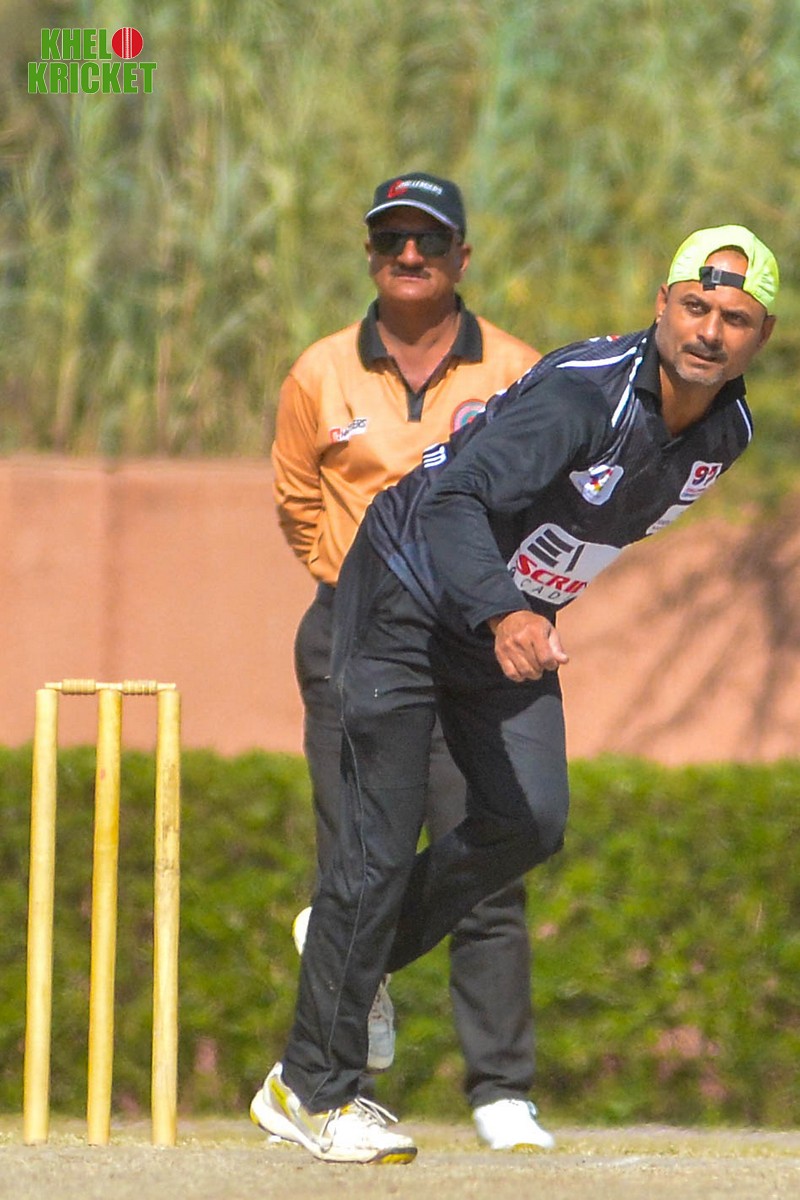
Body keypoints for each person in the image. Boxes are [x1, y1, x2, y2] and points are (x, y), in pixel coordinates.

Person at [252, 224, 779, 1164]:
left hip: (501, 619)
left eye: (735, 318)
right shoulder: (583, 396)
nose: (709, 331)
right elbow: (452, 500)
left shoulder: (728, 432)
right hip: (407, 593)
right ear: (661, 305)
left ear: (762, 336)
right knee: (377, 850)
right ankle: (311, 1090)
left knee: (530, 817)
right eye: (695, 306)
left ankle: (352, 949)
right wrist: (505, 612)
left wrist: (518, 608)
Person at [269, 171, 553, 1150]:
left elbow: (539, 495)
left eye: (428, 240)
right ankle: (330, 1088)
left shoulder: (516, 369)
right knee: (360, 863)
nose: (409, 255)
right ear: (370, 255)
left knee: (493, 847)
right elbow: (297, 501)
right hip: (356, 636)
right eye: (391, 239)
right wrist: (357, 589)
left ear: (461, 256)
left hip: (469, 641)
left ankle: (501, 1090)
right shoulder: (319, 372)